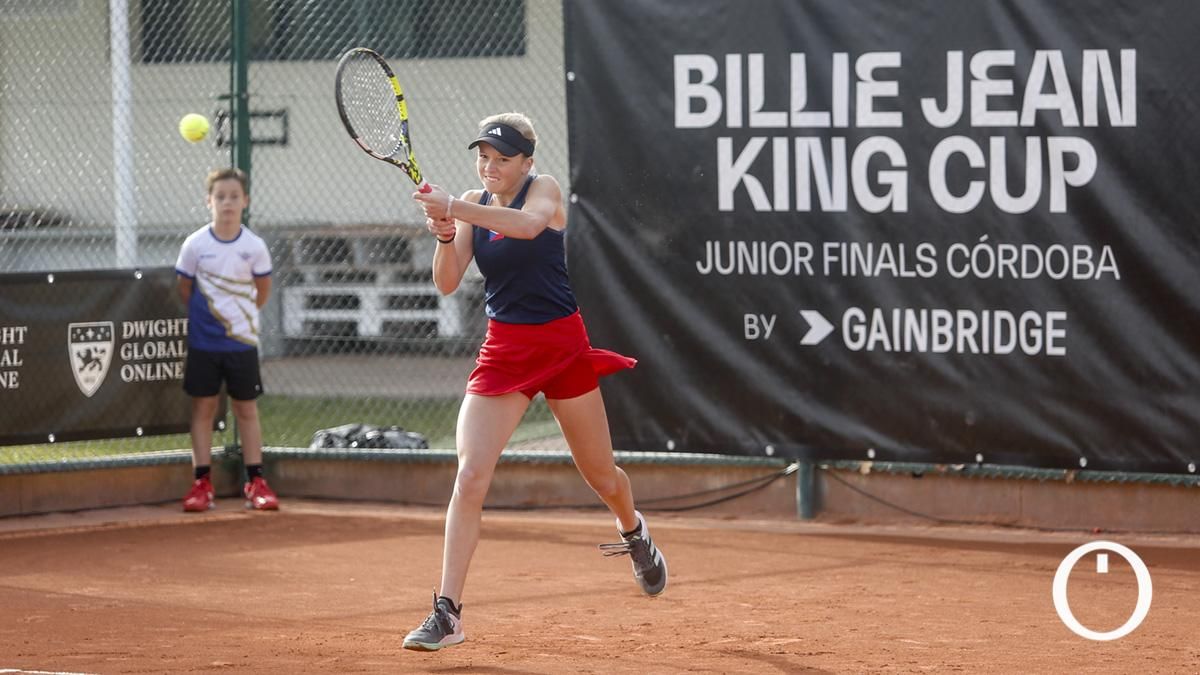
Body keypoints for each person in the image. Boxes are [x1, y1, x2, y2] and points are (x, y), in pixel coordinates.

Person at [401, 113, 667, 652]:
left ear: (526, 161)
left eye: (502, 158)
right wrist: (448, 235)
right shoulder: (475, 203)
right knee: (471, 474)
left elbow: (528, 226)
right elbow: (448, 282)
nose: (490, 166)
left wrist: (453, 206)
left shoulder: (542, 190)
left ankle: (633, 530)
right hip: (504, 351)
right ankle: (447, 613)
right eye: (484, 157)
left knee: (601, 477)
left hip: (562, 347)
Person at [175, 167, 278, 513]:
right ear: (209, 202)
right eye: (220, 197)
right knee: (203, 409)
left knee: (246, 409)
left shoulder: (254, 246)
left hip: (242, 344)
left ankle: (256, 481)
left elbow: (262, 292)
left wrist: (239, 322)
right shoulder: (195, 245)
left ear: (245, 201)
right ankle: (201, 483)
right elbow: (184, 288)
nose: (227, 203)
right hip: (204, 345)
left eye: (234, 196)